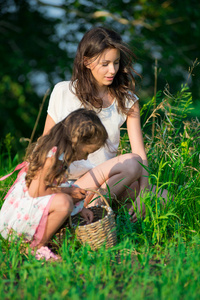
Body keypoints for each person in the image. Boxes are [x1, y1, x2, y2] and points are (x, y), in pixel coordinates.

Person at [43, 26, 168, 222]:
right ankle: (92, 210)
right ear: (86, 62)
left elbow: (140, 154)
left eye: (116, 63)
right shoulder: (63, 92)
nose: (113, 70)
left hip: (109, 182)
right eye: (105, 64)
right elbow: (45, 145)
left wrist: (143, 194)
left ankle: (96, 211)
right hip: (70, 184)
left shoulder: (127, 100)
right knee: (131, 164)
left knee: (163, 197)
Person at [0, 108, 108, 261]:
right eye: (87, 151)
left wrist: (80, 208)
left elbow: (54, 186)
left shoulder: (59, 157)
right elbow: (36, 192)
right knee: (64, 203)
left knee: (68, 198)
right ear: (77, 141)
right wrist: (69, 192)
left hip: (29, 209)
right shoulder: (51, 158)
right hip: (19, 219)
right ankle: (35, 247)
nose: (85, 157)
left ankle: (39, 242)